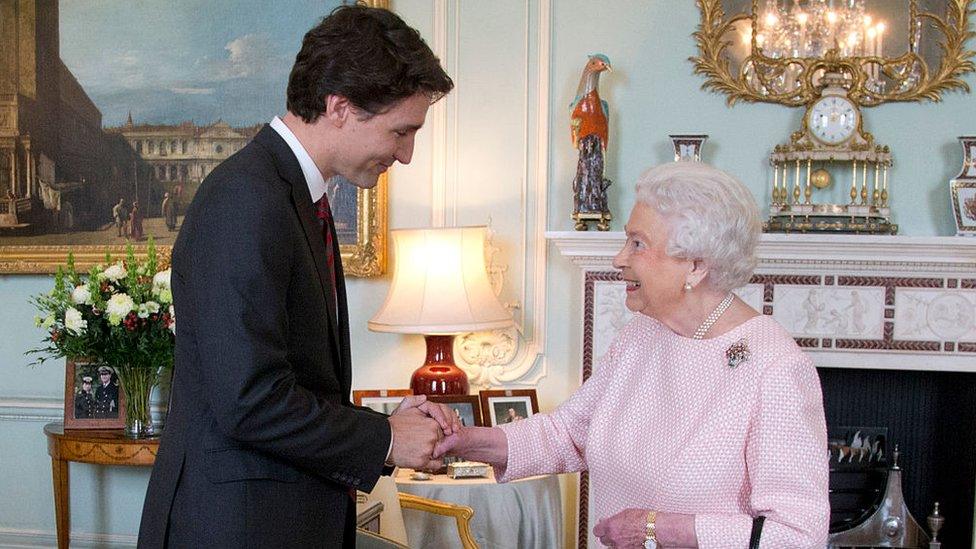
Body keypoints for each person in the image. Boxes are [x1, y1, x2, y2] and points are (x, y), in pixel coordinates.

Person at [138, 6, 455, 549]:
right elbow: (251, 399)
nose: (405, 155)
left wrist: (386, 422)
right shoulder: (247, 199)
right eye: (401, 131)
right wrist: (383, 438)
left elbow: (294, 382)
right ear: (339, 106)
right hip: (237, 529)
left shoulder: (292, 196)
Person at [435, 162, 829, 548]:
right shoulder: (642, 335)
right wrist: (463, 440)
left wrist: (658, 529)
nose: (619, 259)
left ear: (695, 265)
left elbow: (796, 535)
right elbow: (568, 434)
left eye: (637, 243)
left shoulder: (776, 368)